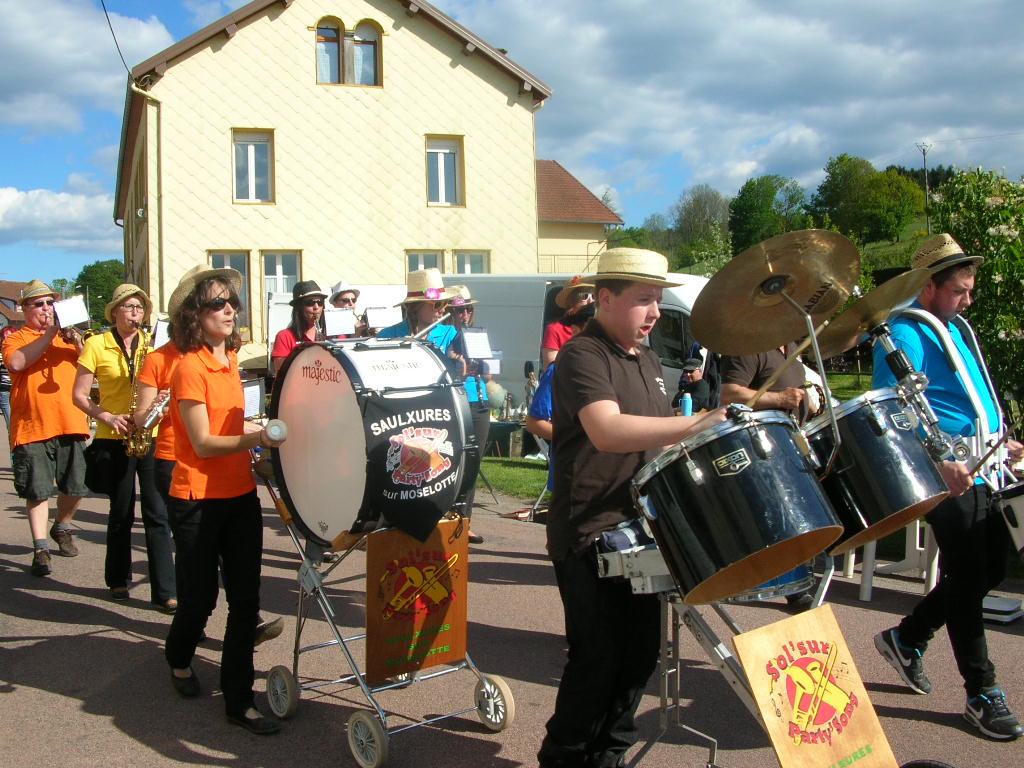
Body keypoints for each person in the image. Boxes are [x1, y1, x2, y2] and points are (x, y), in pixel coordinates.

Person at [538, 248, 726, 768]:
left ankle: (609, 756)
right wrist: (694, 424)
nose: (656, 311)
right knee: (596, 660)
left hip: (640, 528)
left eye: (658, 300)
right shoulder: (583, 355)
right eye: (644, 299)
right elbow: (608, 430)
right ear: (604, 298)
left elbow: (656, 441)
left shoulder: (645, 358)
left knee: (640, 657)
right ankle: (562, 758)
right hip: (589, 529)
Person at [871, 233, 1023, 741]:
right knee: (966, 573)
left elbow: (971, 391)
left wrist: (1002, 438)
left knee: (990, 569)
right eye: (959, 290)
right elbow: (895, 405)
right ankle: (982, 692)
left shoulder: (953, 327)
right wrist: (940, 459)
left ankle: (908, 637)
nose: (968, 299)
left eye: (969, 290)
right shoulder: (905, 332)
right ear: (929, 286)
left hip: (985, 464)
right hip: (945, 472)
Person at [163, 267, 286, 735]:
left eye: (232, 300)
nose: (230, 309)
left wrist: (256, 456)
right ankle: (177, 656)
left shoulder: (229, 360)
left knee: (245, 600)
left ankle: (239, 700)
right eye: (218, 303)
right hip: (196, 499)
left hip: (238, 496)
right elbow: (202, 443)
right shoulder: (189, 366)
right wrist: (259, 437)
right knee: (198, 601)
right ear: (195, 314)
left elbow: (231, 436)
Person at [72, 284, 177, 611]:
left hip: (150, 433)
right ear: (115, 311)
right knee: (120, 513)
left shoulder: (154, 345)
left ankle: (165, 592)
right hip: (112, 435)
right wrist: (106, 415)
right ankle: (117, 579)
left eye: (139, 308)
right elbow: (78, 394)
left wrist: (161, 399)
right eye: (129, 307)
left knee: (157, 514)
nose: (135, 314)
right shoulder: (95, 344)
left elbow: (168, 383)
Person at [718, 346, 818, 611]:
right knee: (783, 513)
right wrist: (779, 399)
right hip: (760, 445)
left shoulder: (793, 346)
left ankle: (802, 573)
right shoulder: (750, 346)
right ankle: (794, 583)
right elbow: (729, 394)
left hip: (792, 438)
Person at [3, 280, 89, 577]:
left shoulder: (70, 337)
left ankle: (62, 526)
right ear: (24, 309)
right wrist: (50, 333)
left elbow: (93, 370)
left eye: (50, 303)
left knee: (76, 486)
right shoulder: (16, 337)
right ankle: (40, 548)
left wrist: (78, 343)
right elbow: (16, 363)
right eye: (38, 304)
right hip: (33, 426)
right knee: (38, 491)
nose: (45, 309)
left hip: (72, 422)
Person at [444, 285, 489, 543]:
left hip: (479, 399)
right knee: (453, 461)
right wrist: (454, 360)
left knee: (473, 462)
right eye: (460, 310)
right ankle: (446, 516)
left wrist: (485, 363)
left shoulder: (477, 334)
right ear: (451, 312)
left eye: (468, 309)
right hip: (456, 400)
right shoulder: (446, 333)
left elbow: (490, 372)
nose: (465, 315)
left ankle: (465, 518)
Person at [377, 268, 457, 354]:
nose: (443, 310)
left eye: (445, 303)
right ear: (416, 306)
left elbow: (462, 366)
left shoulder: (450, 334)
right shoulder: (387, 335)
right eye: (437, 304)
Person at [271, 280, 327, 373]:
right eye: (310, 302)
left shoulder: (332, 334)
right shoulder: (284, 336)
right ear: (299, 307)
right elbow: (282, 375)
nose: (316, 307)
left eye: (320, 302)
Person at [541, 275, 594, 370]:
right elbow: (550, 368)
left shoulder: (601, 325)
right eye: (584, 296)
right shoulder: (555, 329)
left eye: (593, 295)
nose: (590, 300)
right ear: (570, 301)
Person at [0, 324, 15, 429]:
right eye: (4, 337)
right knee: (11, 424)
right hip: (4, 390)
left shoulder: (20, 351)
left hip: (17, 389)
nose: (6, 339)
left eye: (9, 336)